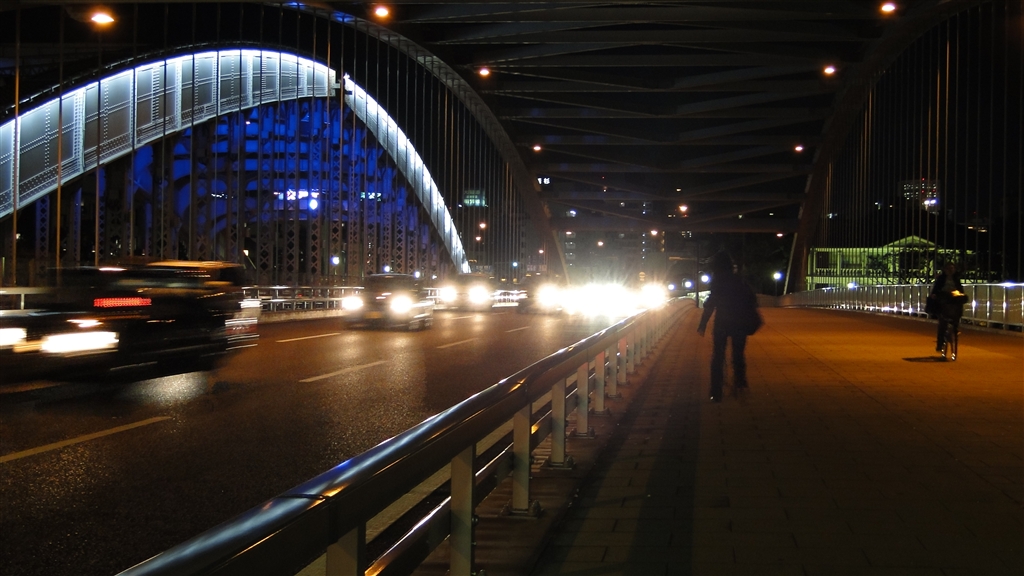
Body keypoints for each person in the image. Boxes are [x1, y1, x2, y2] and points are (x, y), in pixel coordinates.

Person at [697, 252, 762, 402]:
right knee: (738, 354)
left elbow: (711, 304)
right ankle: (740, 384)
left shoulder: (717, 282)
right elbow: (751, 300)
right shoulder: (739, 280)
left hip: (722, 322)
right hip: (740, 322)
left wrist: (703, 324)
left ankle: (716, 392)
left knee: (718, 356)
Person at [928, 262, 966, 352]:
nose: (950, 270)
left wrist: (962, 295)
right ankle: (940, 343)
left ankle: (955, 327)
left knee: (958, 307)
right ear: (945, 270)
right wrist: (934, 295)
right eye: (948, 268)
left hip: (954, 298)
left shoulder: (956, 279)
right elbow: (936, 289)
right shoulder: (941, 279)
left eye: (952, 268)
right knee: (942, 322)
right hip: (943, 297)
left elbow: (961, 290)